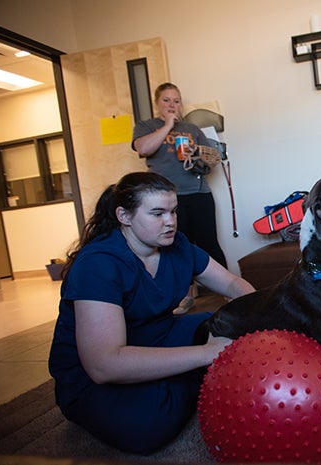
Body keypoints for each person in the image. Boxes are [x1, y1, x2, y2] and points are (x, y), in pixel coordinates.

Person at [48, 172, 255, 454]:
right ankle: (195, 378)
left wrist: (259, 314)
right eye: (157, 213)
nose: (170, 221)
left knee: (229, 326)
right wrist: (208, 354)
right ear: (124, 215)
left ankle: (182, 376)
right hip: (90, 376)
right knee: (147, 427)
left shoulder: (178, 245)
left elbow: (231, 283)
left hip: (157, 335)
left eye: (173, 212)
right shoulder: (98, 264)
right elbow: (103, 365)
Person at [132, 82, 226, 313]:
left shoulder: (192, 129)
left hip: (198, 193)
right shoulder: (147, 126)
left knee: (209, 243)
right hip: (164, 200)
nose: (172, 104)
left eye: (176, 100)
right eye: (166, 100)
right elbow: (143, 148)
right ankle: (184, 296)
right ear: (157, 103)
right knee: (172, 246)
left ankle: (226, 291)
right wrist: (167, 125)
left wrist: (200, 157)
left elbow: (212, 160)